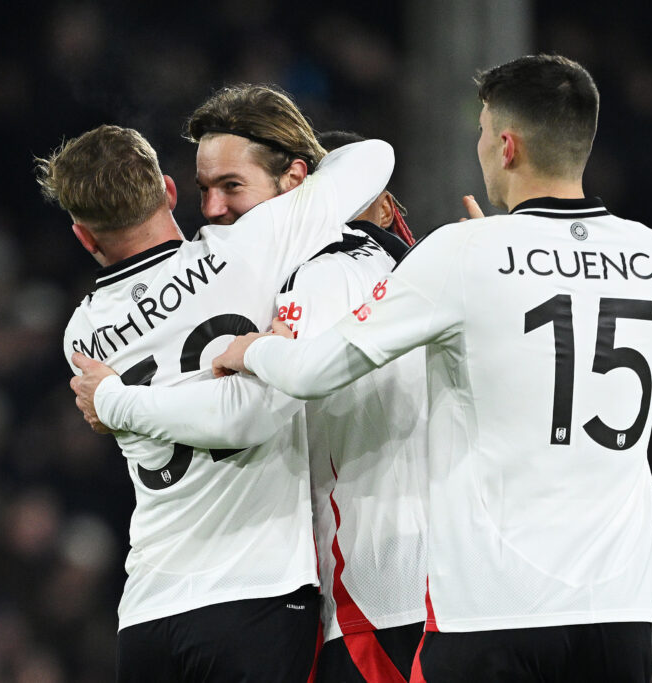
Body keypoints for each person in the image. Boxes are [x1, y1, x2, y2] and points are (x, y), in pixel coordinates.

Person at [212, 54, 652, 683]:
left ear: (507, 145)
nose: (481, 146)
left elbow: (312, 371)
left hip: (495, 607)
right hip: (620, 608)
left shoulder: (465, 252)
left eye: (483, 132)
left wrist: (250, 350)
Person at [72, 117, 430, 683]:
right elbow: (373, 154)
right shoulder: (245, 259)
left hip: (153, 606)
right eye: (202, 189)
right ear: (167, 190)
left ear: (83, 236)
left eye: (230, 186)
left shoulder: (80, 333)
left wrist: (115, 402)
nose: (213, 208)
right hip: (264, 597)